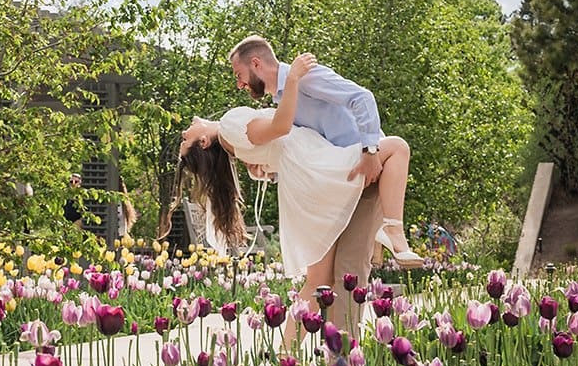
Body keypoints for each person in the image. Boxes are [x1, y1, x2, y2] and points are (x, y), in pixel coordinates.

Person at [178, 54, 421, 343]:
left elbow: (275, 146)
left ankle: (286, 354)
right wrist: (292, 78)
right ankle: (394, 229)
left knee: (319, 282)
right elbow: (281, 127)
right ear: (204, 142)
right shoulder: (230, 125)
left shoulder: (234, 145)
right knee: (397, 149)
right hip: (316, 167)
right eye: (186, 140)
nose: (184, 131)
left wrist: (264, 170)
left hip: (306, 183)